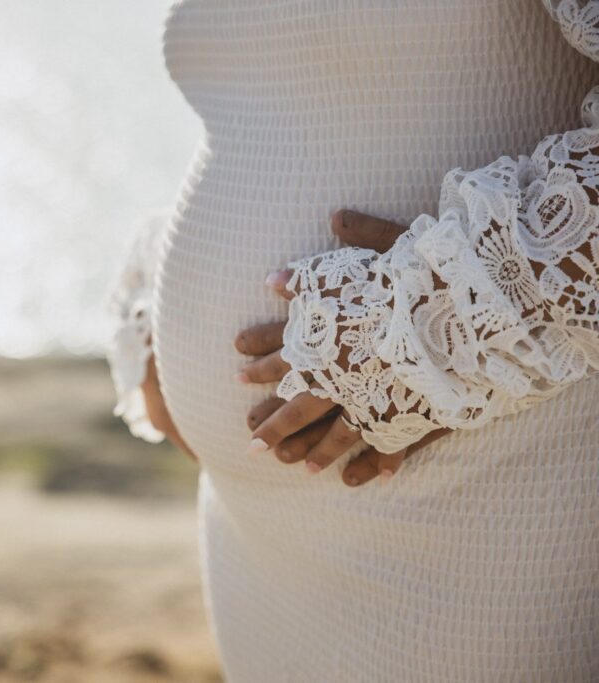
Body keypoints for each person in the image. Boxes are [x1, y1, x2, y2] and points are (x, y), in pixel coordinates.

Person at [107, 1, 599, 679]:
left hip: (497, 490)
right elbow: (273, 90)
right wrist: (154, 301)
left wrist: (432, 322)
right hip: (264, 543)